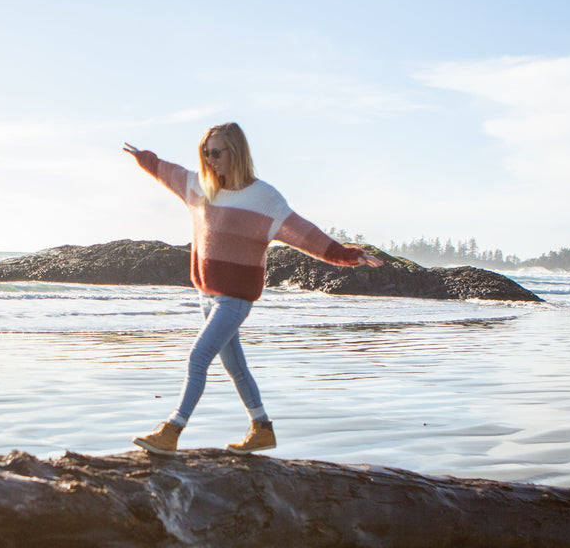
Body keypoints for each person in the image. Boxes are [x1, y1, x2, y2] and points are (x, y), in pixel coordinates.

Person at [123, 122, 383, 455]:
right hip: (206, 295)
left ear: (237, 152)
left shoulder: (264, 198)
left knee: (198, 357)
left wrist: (348, 255)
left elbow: (306, 235)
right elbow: (166, 171)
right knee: (235, 367)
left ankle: (172, 430)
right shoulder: (199, 186)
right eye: (206, 153)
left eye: (217, 152)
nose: (210, 160)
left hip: (235, 298)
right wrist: (144, 158)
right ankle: (262, 428)